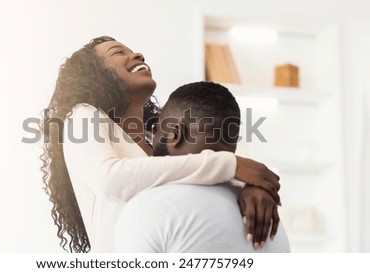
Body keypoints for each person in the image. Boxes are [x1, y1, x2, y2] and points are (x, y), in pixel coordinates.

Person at [41, 36, 281, 253]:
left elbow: (193, 181)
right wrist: (229, 165)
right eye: (118, 52)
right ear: (94, 75)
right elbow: (110, 179)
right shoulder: (83, 115)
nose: (137, 55)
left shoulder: (157, 140)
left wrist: (250, 187)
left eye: (133, 50)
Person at [113, 82, 290, 252]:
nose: (152, 138)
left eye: (157, 127)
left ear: (175, 134)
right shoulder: (269, 221)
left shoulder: (148, 209)